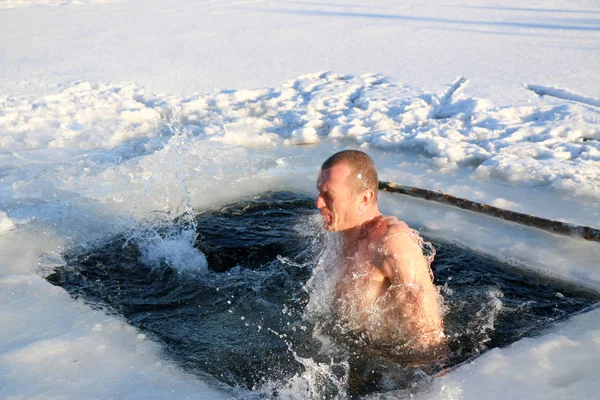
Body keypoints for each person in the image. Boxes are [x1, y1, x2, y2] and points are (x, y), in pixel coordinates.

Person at [316, 150, 447, 364]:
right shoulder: (339, 232)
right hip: (350, 352)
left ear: (365, 198)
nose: (318, 204)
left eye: (328, 196)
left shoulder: (393, 243)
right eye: (319, 193)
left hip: (388, 362)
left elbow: (429, 338)